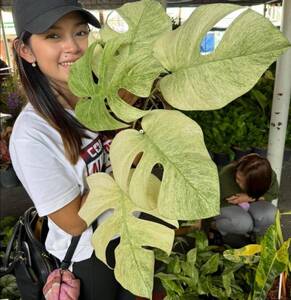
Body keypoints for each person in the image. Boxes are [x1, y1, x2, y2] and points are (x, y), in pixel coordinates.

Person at [10, 0, 134, 299]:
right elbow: (75, 221)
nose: (74, 46)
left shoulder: (104, 98)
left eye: (80, 32)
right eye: (53, 36)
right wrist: (128, 151)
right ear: (26, 50)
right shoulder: (33, 134)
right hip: (91, 258)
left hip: (131, 234)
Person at [213, 153, 278, 244]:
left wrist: (248, 198)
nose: (237, 181)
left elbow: (271, 194)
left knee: (270, 214)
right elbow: (212, 199)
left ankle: (259, 238)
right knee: (243, 223)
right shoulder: (226, 174)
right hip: (227, 204)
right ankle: (215, 228)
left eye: (241, 181)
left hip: (254, 201)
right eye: (237, 178)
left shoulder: (266, 175)